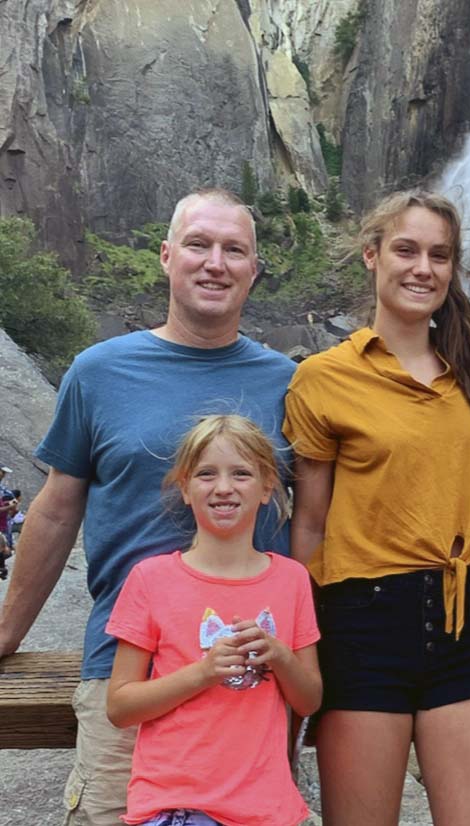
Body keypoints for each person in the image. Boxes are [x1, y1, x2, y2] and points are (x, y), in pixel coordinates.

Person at [0, 189, 296, 826]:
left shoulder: (291, 383)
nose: (215, 262)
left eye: (234, 250)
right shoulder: (98, 371)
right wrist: (7, 631)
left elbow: (321, 517)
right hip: (126, 672)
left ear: (253, 269)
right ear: (167, 256)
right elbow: (55, 511)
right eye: (198, 244)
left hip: (252, 678)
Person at [283, 190, 470, 826]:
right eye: (406, 250)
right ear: (371, 256)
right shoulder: (324, 378)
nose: (423, 268)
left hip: (467, 623)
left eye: (440, 255)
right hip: (361, 624)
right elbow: (309, 521)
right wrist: (307, 642)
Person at [106, 414, 321, 826]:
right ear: (185, 488)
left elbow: (309, 699)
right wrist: (203, 673)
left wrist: (279, 655)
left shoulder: (292, 579)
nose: (223, 487)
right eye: (207, 474)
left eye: (241, 473)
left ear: (267, 487)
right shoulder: (150, 578)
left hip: (268, 809)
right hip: (175, 805)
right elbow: (120, 706)